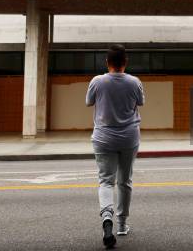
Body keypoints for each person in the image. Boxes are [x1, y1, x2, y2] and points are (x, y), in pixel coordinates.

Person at [85, 44, 145, 249]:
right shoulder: (134, 82)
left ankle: (106, 217)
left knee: (106, 181)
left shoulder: (97, 81)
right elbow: (141, 102)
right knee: (125, 180)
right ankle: (121, 225)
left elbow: (88, 102)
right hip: (129, 137)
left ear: (107, 62)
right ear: (125, 62)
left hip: (103, 137)